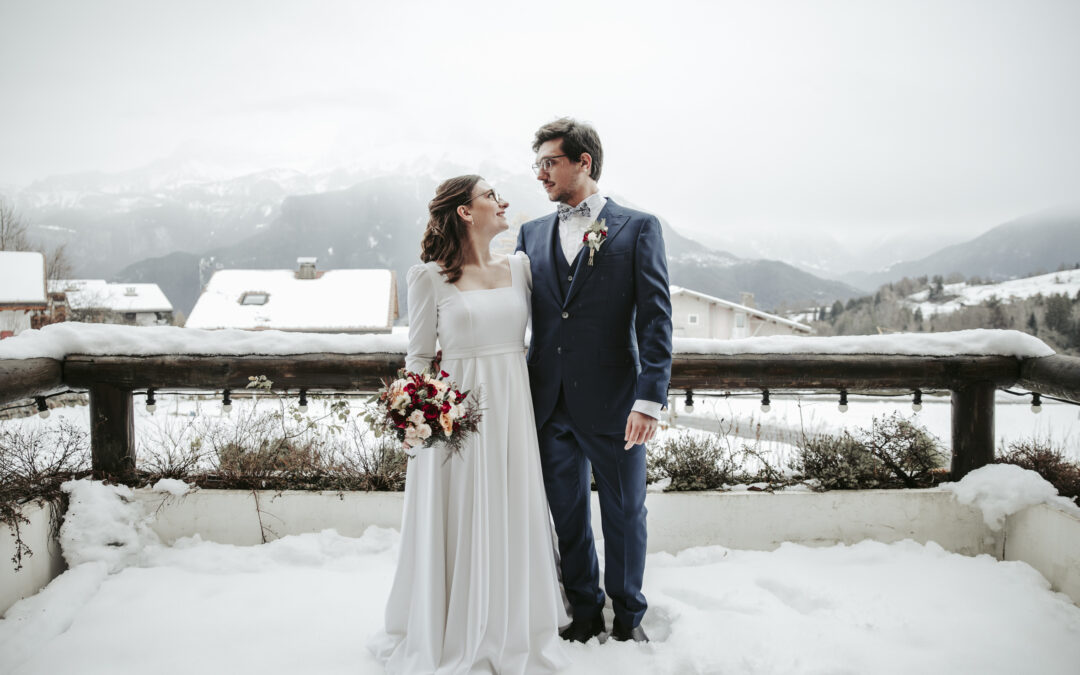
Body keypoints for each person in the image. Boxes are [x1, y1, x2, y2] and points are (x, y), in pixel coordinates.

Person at [369, 176, 569, 674]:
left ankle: (508, 624)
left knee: (509, 506)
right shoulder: (429, 277)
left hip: (512, 406)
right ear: (464, 211)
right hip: (455, 416)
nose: (502, 202)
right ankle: (452, 627)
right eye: (489, 196)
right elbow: (417, 358)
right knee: (461, 514)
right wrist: (416, 417)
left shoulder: (519, 268)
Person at [515, 118, 673, 644]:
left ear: (583, 162)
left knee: (625, 514)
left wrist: (649, 400)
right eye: (536, 164)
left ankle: (628, 618)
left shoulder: (637, 227)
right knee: (568, 517)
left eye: (550, 162)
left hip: (617, 404)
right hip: (548, 403)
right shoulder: (530, 233)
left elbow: (655, 320)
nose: (540, 174)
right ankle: (583, 613)